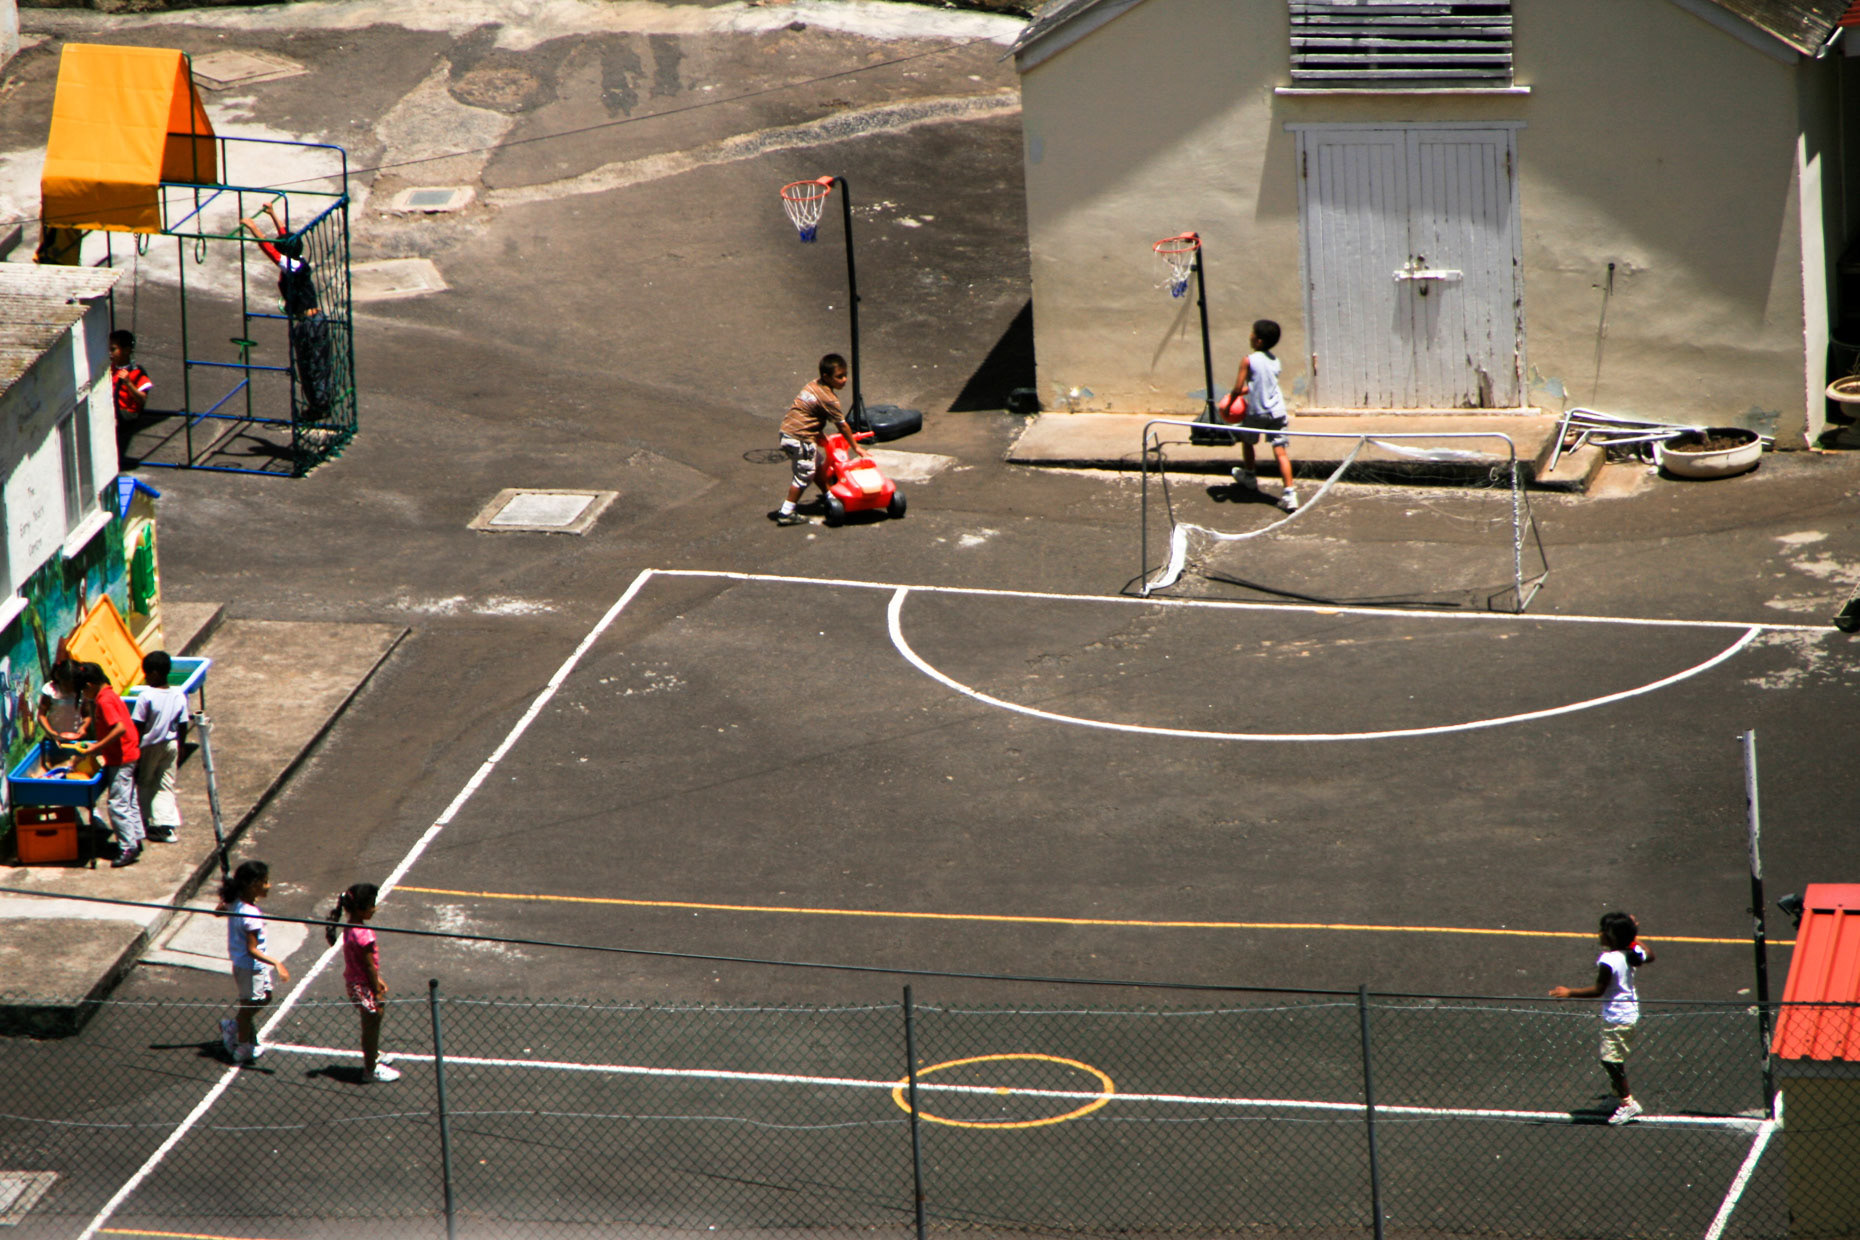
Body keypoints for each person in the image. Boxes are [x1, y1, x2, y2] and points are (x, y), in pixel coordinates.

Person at [1550, 911, 1656, 1124]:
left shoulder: (1608, 960)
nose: (1598, 934)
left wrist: (1569, 992)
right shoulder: (1632, 951)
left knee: (1611, 1061)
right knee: (1613, 1059)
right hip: (1628, 1014)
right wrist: (1633, 937)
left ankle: (1627, 1103)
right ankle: (1619, 1096)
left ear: (1611, 937)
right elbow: (1649, 955)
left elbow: (1599, 989)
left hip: (1617, 1017)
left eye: (1602, 931)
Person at [239, 201, 332, 420]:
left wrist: (253, 228)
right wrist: (273, 214)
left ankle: (318, 409)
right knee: (317, 366)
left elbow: (270, 249)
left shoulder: (291, 265)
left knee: (311, 368)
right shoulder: (298, 258)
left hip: (310, 325)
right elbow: (284, 237)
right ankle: (320, 405)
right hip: (314, 320)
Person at [769, 352, 864, 526]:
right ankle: (786, 512)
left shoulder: (813, 385)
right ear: (826, 377)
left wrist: (819, 434)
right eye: (839, 377)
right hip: (800, 438)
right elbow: (842, 426)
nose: (844, 380)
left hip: (788, 432)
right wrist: (855, 447)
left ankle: (829, 495)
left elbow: (808, 412)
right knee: (804, 474)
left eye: (845, 376)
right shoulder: (829, 399)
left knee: (818, 463)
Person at [69, 662, 143, 868]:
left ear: (91, 684)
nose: (84, 693)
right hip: (126, 754)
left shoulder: (105, 701)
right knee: (129, 799)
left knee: (117, 803)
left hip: (122, 758)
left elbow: (118, 729)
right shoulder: (108, 695)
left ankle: (128, 846)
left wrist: (96, 748)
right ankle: (135, 836)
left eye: (84, 689)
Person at [326, 883, 400, 1082]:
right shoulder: (364, 935)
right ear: (360, 908)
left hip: (355, 982)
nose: (374, 909)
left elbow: (363, 964)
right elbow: (369, 966)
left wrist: (378, 979)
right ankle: (370, 1069)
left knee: (369, 1023)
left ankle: (373, 1053)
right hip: (364, 986)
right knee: (372, 1023)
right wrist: (377, 990)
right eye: (371, 905)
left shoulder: (350, 928)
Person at [218, 860, 290, 1065]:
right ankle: (241, 1044)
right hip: (251, 967)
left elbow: (218, 910)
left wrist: (226, 897)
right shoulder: (251, 915)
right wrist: (277, 963)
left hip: (242, 966)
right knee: (251, 1007)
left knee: (258, 1000)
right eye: (265, 882)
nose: (268, 886)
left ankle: (236, 1028)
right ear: (253, 885)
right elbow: (252, 949)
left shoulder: (235, 902)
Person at [1224, 319, 1298, 513]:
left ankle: (1249, 476)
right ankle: (1290, 493)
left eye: (1251, 333)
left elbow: (1237, 387)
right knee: (1280, 451)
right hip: (1278, 411)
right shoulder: (1275, 361)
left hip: (1257, 412)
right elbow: (1261, 385)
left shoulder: (1247, 359)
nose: (1249, 335)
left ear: (1258, 341)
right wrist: (1244, 392)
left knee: (1247, 441)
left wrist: (1228, 405)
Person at [131, 651, 188, 845]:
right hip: (171, 745)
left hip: (149, 746)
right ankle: (167, 826)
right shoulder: (178, 694)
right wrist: (180, 749)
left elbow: (137, 726)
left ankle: (148, 823)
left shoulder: (146, 696)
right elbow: (183, 724)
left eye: (146, 673)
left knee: (145, 782)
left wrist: (135, 753)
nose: (146, 677)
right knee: (165, 784)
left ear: (154, 673)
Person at [109, 330, 154, 454]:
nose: (110, 354)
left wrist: (129, 383)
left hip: (126, 414)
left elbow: (142, 399)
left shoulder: (137, 372)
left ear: (126, 350)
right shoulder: (110, 369)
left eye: (113, 350)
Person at [35, 658, 88, 749]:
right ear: (58, 678)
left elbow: (87, 715)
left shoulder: (82, 692)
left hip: (76, 737)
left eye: (72, 685)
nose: (69, 689)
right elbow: (41, 715)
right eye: (66, 685)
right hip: (54, 738)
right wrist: (51, 732)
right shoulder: (51, 690)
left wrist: (84, 727)